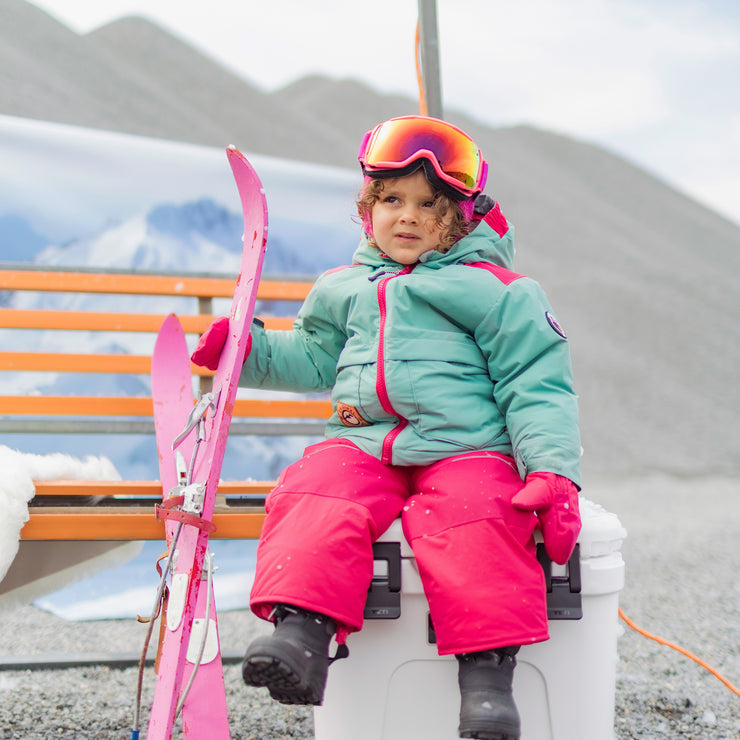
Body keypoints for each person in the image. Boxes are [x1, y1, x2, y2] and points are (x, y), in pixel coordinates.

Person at [191, 115, 582, 740]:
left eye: (429, 205)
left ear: (459, 218)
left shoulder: (498, 291)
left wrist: (552, 473)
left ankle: (487, 680)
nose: (407, 216)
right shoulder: (343, 287)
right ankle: (303, 634)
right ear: (367, 209)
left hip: (466, 450)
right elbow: (316, 356)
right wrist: (248, 351)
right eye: (392, 200)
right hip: (365, 443)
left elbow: (535, 384)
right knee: (315, 489)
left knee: (479, 517)